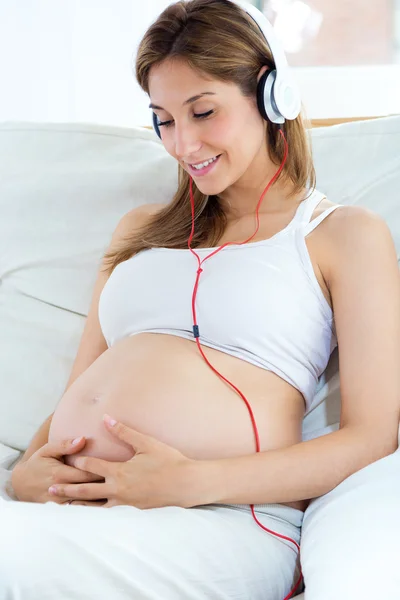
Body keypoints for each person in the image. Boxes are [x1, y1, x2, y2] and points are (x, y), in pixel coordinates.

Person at [2, 0, 400, 599]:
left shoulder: (342, 234)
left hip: (222, 517)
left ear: (273, 98)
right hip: (75, 506)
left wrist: (192, 482)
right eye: (162, 119)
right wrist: (28, 471)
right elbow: (79, 387)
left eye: (203, 112)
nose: (182, 144)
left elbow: (371, 436)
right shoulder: (138, 229)